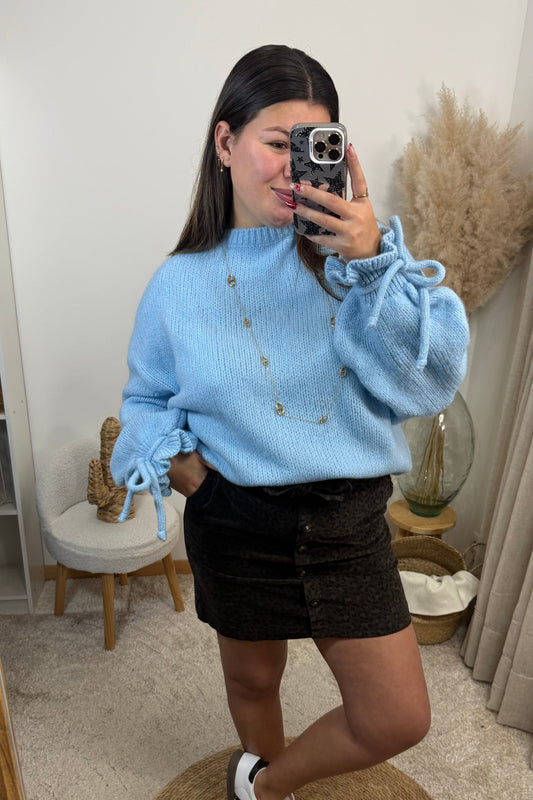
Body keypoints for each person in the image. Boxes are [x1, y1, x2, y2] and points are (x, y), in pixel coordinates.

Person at [111, 44, 469, 800]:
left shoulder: (358, 261)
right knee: (252, 681)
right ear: (225, 141)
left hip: (346, 522)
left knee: (396, 716)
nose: (292, 166)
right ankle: (259, 770)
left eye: (314, 143)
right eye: (277, 142)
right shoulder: (178, 284)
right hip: (235, 521)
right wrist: (189, 474)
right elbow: (145, 399)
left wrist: (370, 263)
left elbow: (428, 384)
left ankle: (269, 786)